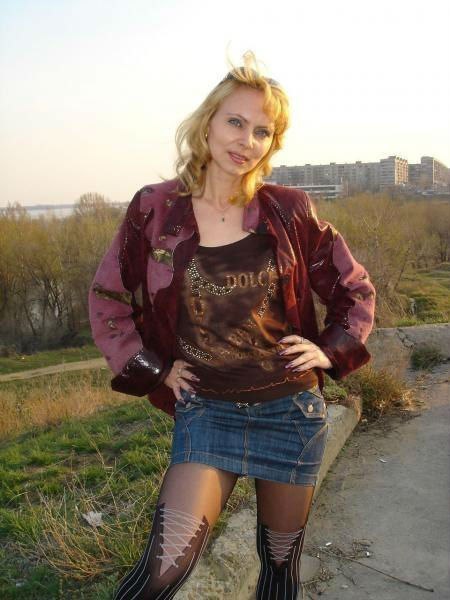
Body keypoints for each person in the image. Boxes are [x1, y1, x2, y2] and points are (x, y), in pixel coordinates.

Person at [88, 51, 375, 599]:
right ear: (208, 123)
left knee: (279, 571)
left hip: (289, 412)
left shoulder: (289, 210)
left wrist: (331, 349)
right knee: (161, 573)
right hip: (207, 411)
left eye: (263, 131)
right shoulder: (155, 209)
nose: (247, 140)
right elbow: (107, 297)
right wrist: (153, 369)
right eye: (236, 122)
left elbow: (354, 288)